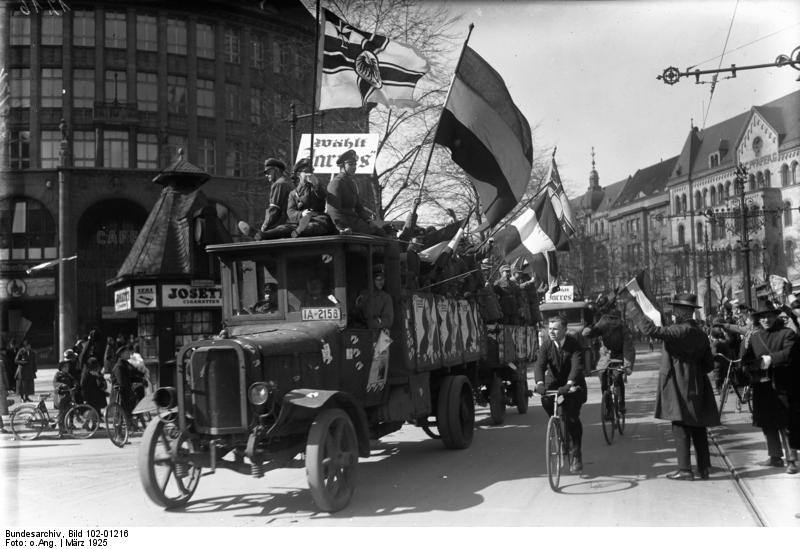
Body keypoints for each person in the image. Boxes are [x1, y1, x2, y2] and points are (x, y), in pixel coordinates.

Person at [637, 293, 719, 480]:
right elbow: (709, 365)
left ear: (683, 312)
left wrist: (639, 313)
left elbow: (654, 332)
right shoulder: (700, 334)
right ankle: (704, 467)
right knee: (698, 426)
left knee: (680, 426)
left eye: (676, 309)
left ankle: (684, 470)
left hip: (678, 383)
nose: (673, 312)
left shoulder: (678, 331)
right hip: (698, 383)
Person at [741, 304, 799, 474]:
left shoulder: (787, 333)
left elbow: (791, 354)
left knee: (786, 424)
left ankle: (792, 460)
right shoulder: (755, 337)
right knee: (767, 422)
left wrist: (770, 359)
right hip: (762, 386)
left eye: (769, 316)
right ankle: (775, 456)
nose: (766, 320)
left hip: (783, 384)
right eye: (762, 317)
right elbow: (747, 360)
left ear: (776, 316)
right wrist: (749, 368)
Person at [533, 315, 587, 473]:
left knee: (572, 418)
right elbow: (539, 365)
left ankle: (576, 453)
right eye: (549, 328)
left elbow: (577, 366)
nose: (552, 332)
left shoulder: (574, 344)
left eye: (555, 328)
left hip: (572, 383)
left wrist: (569, 384)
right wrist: (540, 383)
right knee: (545, 400)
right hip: (553, 383)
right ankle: (555, 423)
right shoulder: (546, 346)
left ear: (564, 329)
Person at [582, 294, 635, 414]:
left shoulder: (623, 329)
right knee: (603, 379)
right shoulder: (603, 323)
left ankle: (621, 404)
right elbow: (592, 332)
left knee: (617, 377)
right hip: (606, 355)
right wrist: (588, 330)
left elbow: (628, 348)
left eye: (614, 319)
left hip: (620, 355)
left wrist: (627, 365)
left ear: (618, 319)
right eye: (610, 319)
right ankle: (608, 407)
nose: (612, 322)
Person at [326, 149, 385, 236]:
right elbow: (333, 210)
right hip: (346, 223)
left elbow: (359, 208)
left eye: (355, 164)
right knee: (379, 234)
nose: (354, 167)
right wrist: (342, 227)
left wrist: (368, 220)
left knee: (384, 231)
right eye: (350, 164)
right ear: (342, 166)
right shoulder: (336, 183)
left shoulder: (352, 183)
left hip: (355, 221)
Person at [238, 158, 294, 240]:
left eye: (268, 172)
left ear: (277, 170)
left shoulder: (279, 184)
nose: (266, 175)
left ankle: (258, 234)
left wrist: (264, 227)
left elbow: (274, 209)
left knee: (261, 238)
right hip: (290, 224)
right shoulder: (288, 182)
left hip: (283, 225)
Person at [287, 158, 335, 238]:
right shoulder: (293, 194)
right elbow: (290, 212)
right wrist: (301, 214)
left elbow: (324, 197)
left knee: (311, 227)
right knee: (283, 229)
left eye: (311, 171)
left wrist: (316, 185)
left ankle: (297, 232)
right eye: (306, 172)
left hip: (318, 220)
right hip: (299, 221)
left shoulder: (316, 188)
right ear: (299, 174)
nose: (309, 174)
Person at [53, 359, 77, 437]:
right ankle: (60, 431)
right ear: (61, 368)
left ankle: (66, 428)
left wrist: (75, 384)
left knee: (68, 412)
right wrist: (61, 385)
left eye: (68, 367)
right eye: (65, 367)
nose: (67, 368)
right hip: (61, 397)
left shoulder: (68, 375)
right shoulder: (58, 375)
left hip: (68, 396)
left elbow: (74, 380)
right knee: (61, 414)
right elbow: (55, 383)